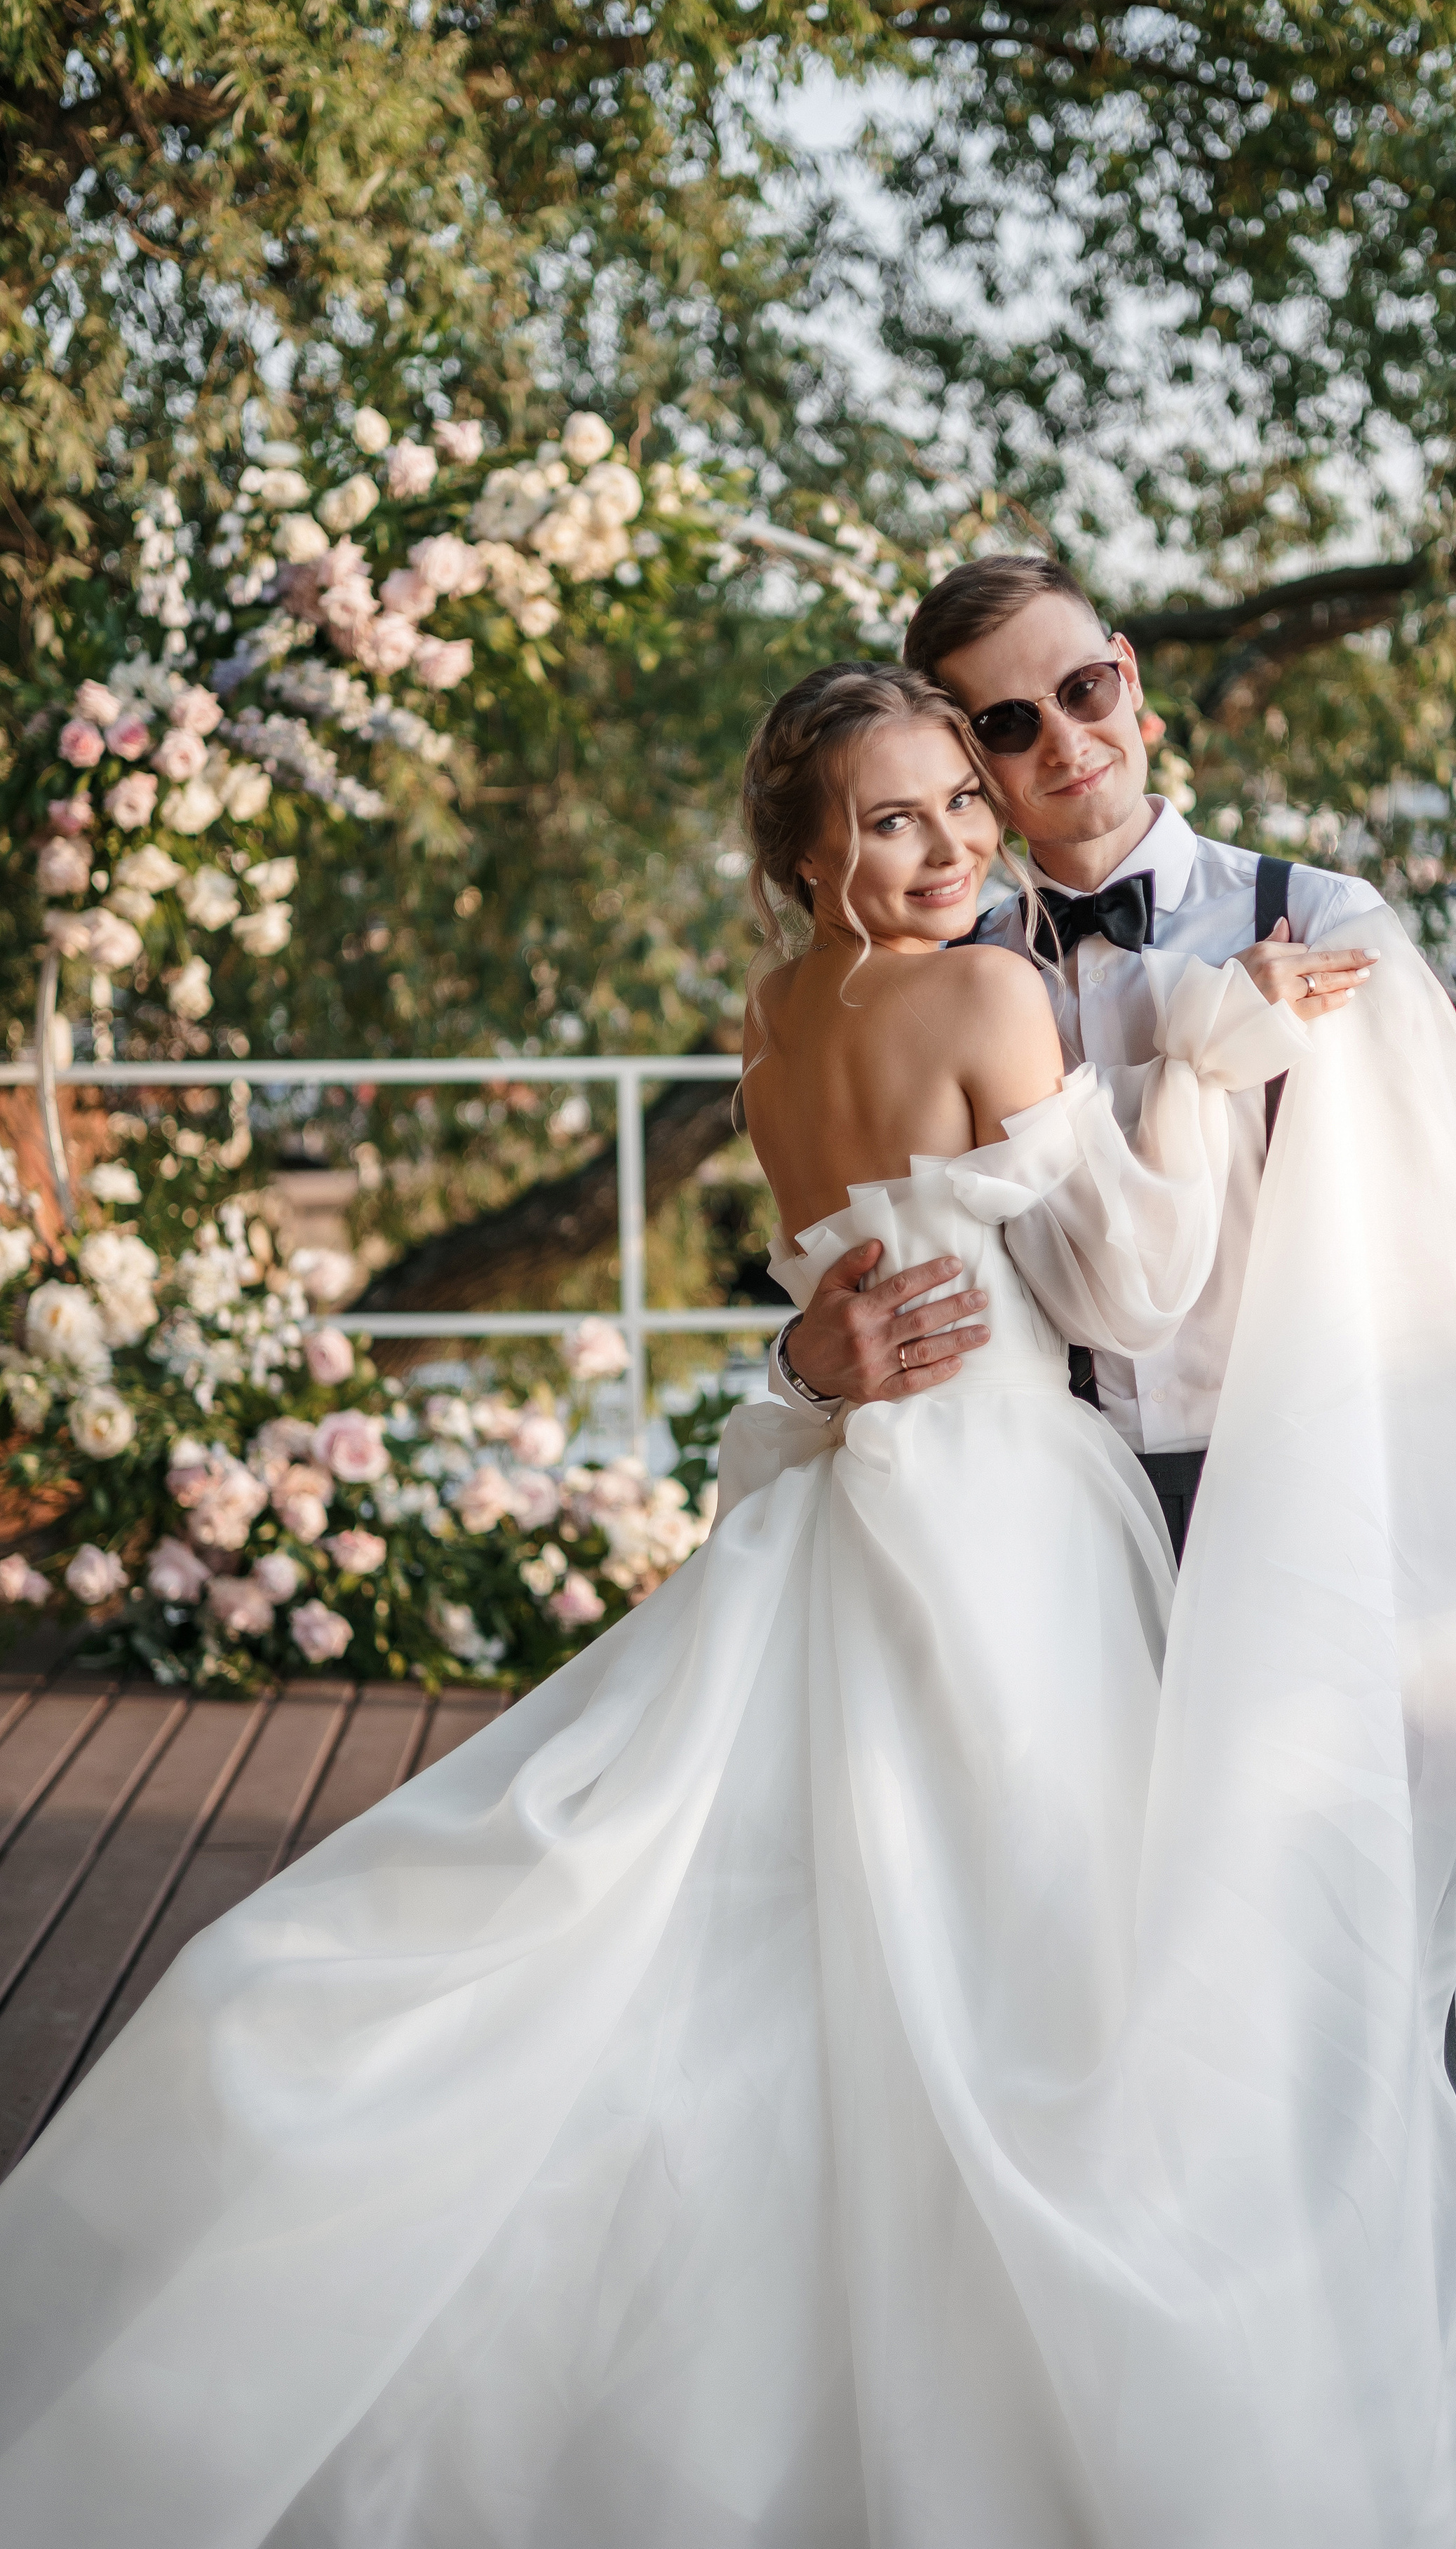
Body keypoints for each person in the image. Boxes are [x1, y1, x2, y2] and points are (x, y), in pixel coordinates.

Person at [0, 664, 1346, 2545]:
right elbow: (1128, 1285)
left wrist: (822, 1354)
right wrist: (1214, 1056)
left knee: (778, 1928)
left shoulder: (771, 1021)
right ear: (804, 851)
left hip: (832, 1500)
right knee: (1024, 1952)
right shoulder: (989, 987)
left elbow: (858, 1269)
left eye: (963, 797)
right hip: (1002, 1514)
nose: (955, 839)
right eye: (894, 818)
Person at [772, 553, 1380, 1560]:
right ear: (970, 755)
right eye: (1009, 724)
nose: (1063, 740)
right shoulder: (950, 979)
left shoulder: (1321, 919)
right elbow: (864, 1264)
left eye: (1082, 689)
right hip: (1048, 1511)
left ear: (1128, 675)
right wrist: (803, 1365)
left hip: (1299, 1470)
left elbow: (1439, 1243)